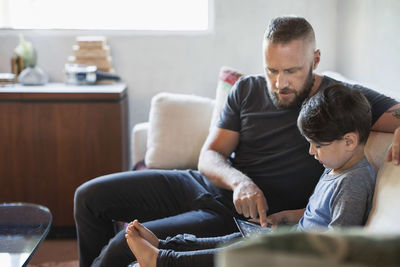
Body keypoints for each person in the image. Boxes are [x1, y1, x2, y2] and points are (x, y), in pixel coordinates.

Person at [74, 16, 400, 267]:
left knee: (122, 245)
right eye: (271, 70)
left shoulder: (338, 102)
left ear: (315, 58)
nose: (280, 83)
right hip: (209, 185)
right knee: (89, 197)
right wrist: (240, 182)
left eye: (292, 71)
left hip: (243, 218)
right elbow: (211, 154)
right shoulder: (247, 90)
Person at [124, 84, 377, 267]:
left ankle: (162, 261)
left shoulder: (353, 182)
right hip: (291, 239)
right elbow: (318, 213)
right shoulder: (336, 166)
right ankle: (167, 245)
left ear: (349, 141)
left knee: (236, 250)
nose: (311, 151)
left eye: (317, 145)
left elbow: (339, 243)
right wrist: (285, 218)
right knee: (234, 238)